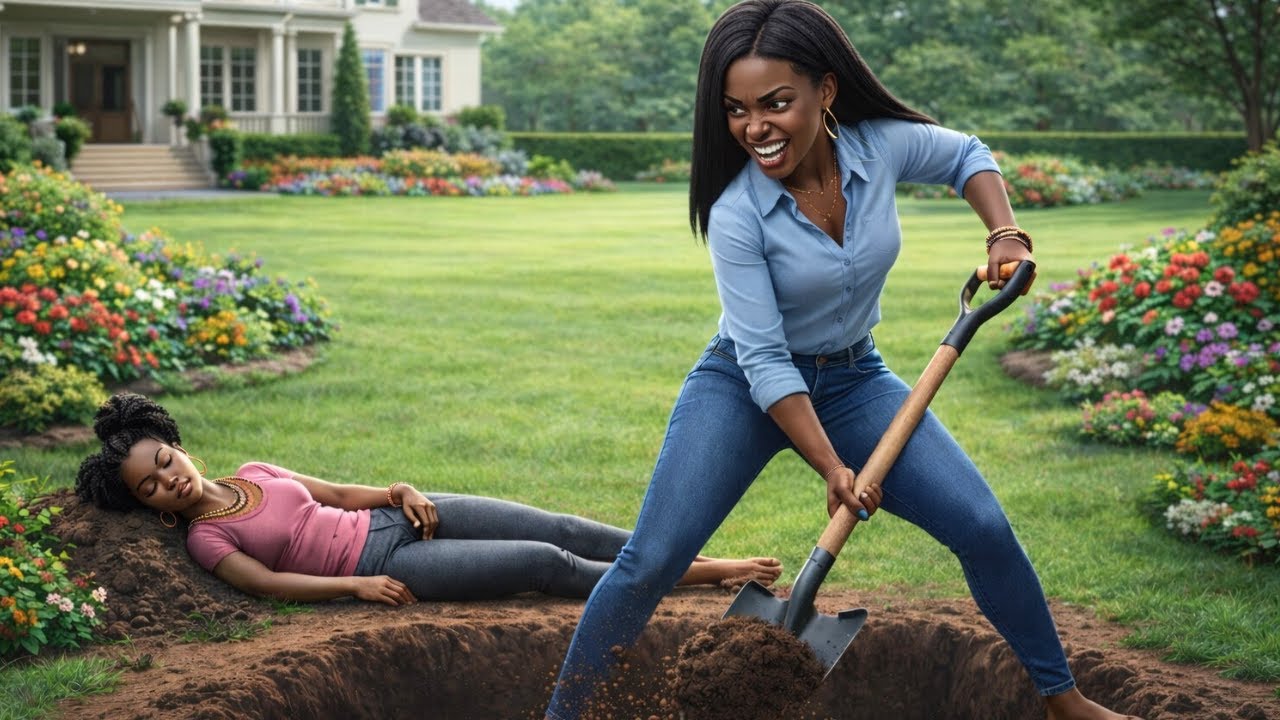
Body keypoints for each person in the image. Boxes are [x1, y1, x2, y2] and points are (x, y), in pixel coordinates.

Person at [545, 2, 1139, 719]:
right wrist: (833, 468)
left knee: (982, 527)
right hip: (741, 385)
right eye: (736, 110)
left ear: (825, 91)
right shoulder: (738, 214)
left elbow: (965, 154)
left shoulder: (878, 147)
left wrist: (1004, 233)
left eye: (776, 103)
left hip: (854, 378)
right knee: (651, 560)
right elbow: (764, 359)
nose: (754, 127)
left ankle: (1062, 700)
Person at [74, 392, 783, 605]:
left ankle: (694, 558)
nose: (170, 477)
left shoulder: (254, 470)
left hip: (399, 514)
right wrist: (356, 585)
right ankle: (715, 575)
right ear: (156, 507)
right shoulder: (206, 539)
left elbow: (333, 491)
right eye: (153, 486)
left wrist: (399, 488)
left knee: (564, 524)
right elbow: (266, 584)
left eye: (166, 460)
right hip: (395, 565)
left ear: (179, 447)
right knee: (546, 561)